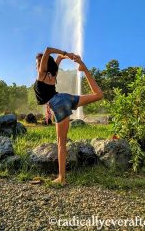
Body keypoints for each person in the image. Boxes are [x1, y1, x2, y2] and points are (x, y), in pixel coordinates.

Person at [34, 47, 104, 185]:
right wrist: (71, 57)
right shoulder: (53, 73)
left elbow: (48, 50)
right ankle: (84, 69)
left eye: (38, 62)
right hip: (64, 98)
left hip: (58, 103)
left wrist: (67, 54)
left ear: (43, 63)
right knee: (98, 95)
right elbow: (58, 58)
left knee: (61, 142)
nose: (37, 65)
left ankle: (62, 178)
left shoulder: (42, 73)